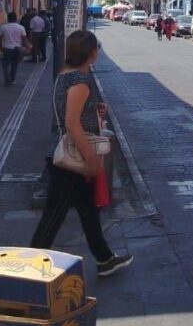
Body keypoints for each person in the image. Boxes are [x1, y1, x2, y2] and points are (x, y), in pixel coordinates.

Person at [30, 30, 133, 277]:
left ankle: (105, 258)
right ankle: (30, 269)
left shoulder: (65, 75)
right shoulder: (80, 81)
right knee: (53, 217)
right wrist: (90, 161)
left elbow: (71, 113)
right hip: (71, 160)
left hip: (69, 154)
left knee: (88, 210)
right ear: (92, 53)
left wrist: (93, 111)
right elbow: (72, 124)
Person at [0, 12, 27, 86]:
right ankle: (13, 79)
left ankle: (7, 80)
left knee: (5, 65)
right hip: (17, 48)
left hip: (7, 48)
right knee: (14, 64)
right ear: (16, 18)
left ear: (8, 18)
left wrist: (1, 47)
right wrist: (25, 47)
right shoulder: (21, 27)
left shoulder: (3, 27)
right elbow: (24, 40)